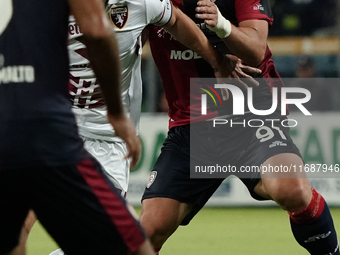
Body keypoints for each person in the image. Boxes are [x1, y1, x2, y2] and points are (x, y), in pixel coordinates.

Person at [46, 0, 262, 254]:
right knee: (18, 224)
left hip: (109, 142)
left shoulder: (138, 2)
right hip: (54, 130)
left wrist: (216, 61)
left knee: (111, 240)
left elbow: (177, 21)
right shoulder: (44, 11)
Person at [139, 0, 339, 254]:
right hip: (192, 126)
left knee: (292, 190)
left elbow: (256, 49)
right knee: (148, 232)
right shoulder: (153, 2)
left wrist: (222, 25)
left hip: (253, 115)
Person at [0, 0, 155, 254]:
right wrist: (116, 112)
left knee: (11, 241)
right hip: (45, 130)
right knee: (134, 246)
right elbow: (95, 30)